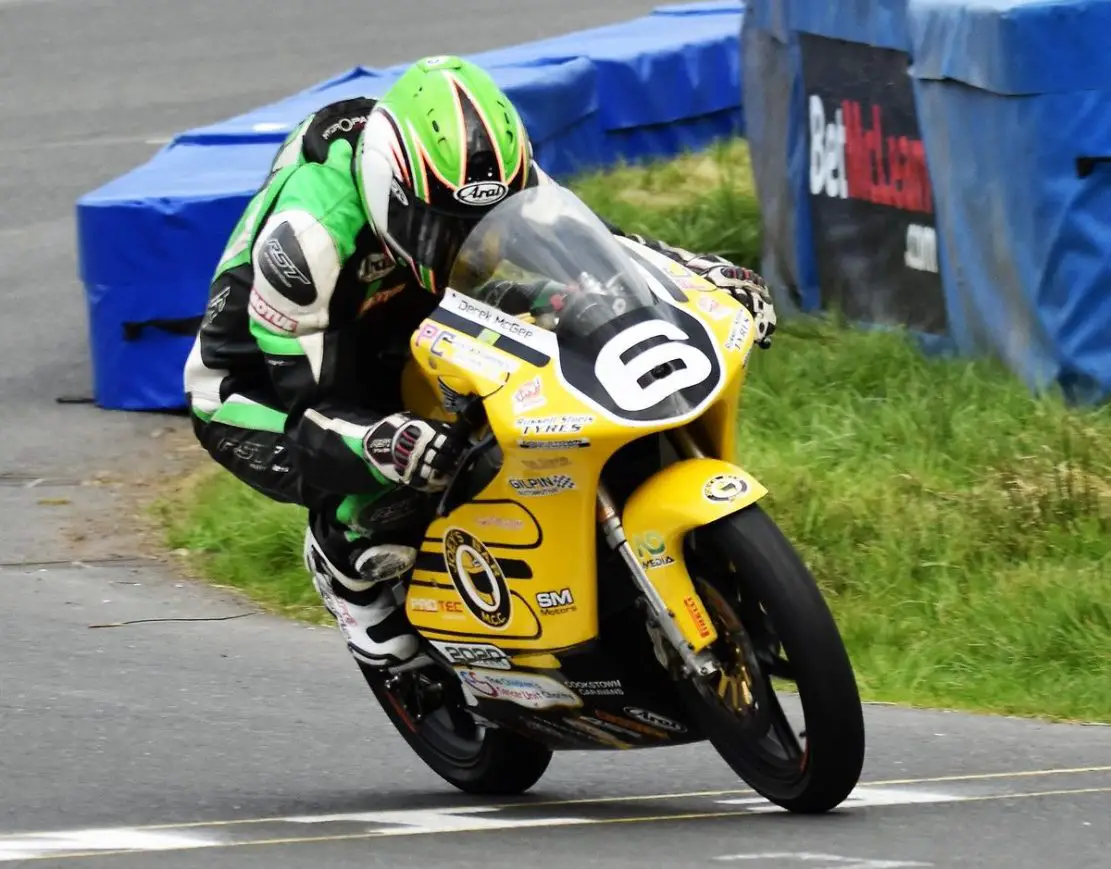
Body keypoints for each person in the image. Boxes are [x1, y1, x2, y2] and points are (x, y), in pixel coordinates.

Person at [183, 55, 778, 669]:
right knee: (398, 471)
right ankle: (342, 564)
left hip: (402, 307)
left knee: (567, 313)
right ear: (395, 198)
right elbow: (312, 409)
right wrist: (382, 439)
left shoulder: (489, 175)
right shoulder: (307, 243)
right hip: (264, 384)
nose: (468, 240)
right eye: (445, 226)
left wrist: (695, 274)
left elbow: (595, 247)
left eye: (482, 221)